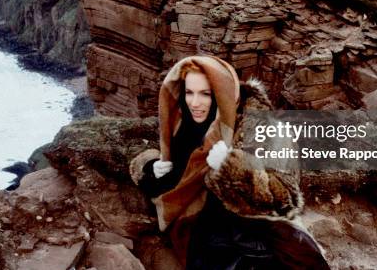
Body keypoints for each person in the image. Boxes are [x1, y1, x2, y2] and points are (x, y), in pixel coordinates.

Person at [130, 55, 329, 269]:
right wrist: (149, 167)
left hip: (259, 226)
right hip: (204, 228)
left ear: (220, 92)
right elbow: (150, 153)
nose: (195, 103)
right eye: (189, 92)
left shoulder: (265, 129)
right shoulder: (182, 124)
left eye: (205, 94)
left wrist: (230, 168)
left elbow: (285, 198)